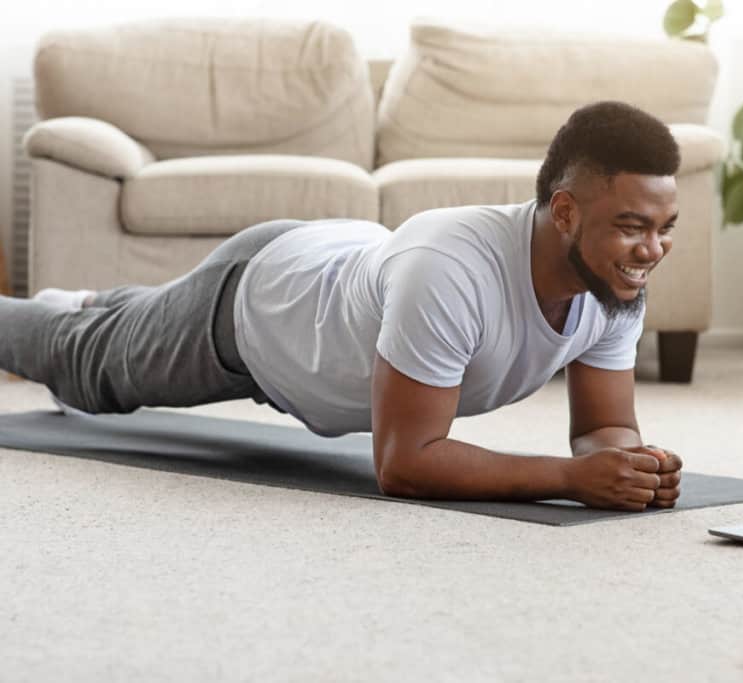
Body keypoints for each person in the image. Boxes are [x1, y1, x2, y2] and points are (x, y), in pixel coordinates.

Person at [0, 101, 684, 512]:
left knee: (121, 327)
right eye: (633, 225)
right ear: (564, 212)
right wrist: (569, 478)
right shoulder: (452, 269)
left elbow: (603, 425)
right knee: (87, 371)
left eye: (665, 227)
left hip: (336, 275)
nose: (652, 249)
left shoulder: (613, 281)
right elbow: (405, 461)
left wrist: (630, 467)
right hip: (257, 310)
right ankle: (69, 320)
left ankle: (95, 304)